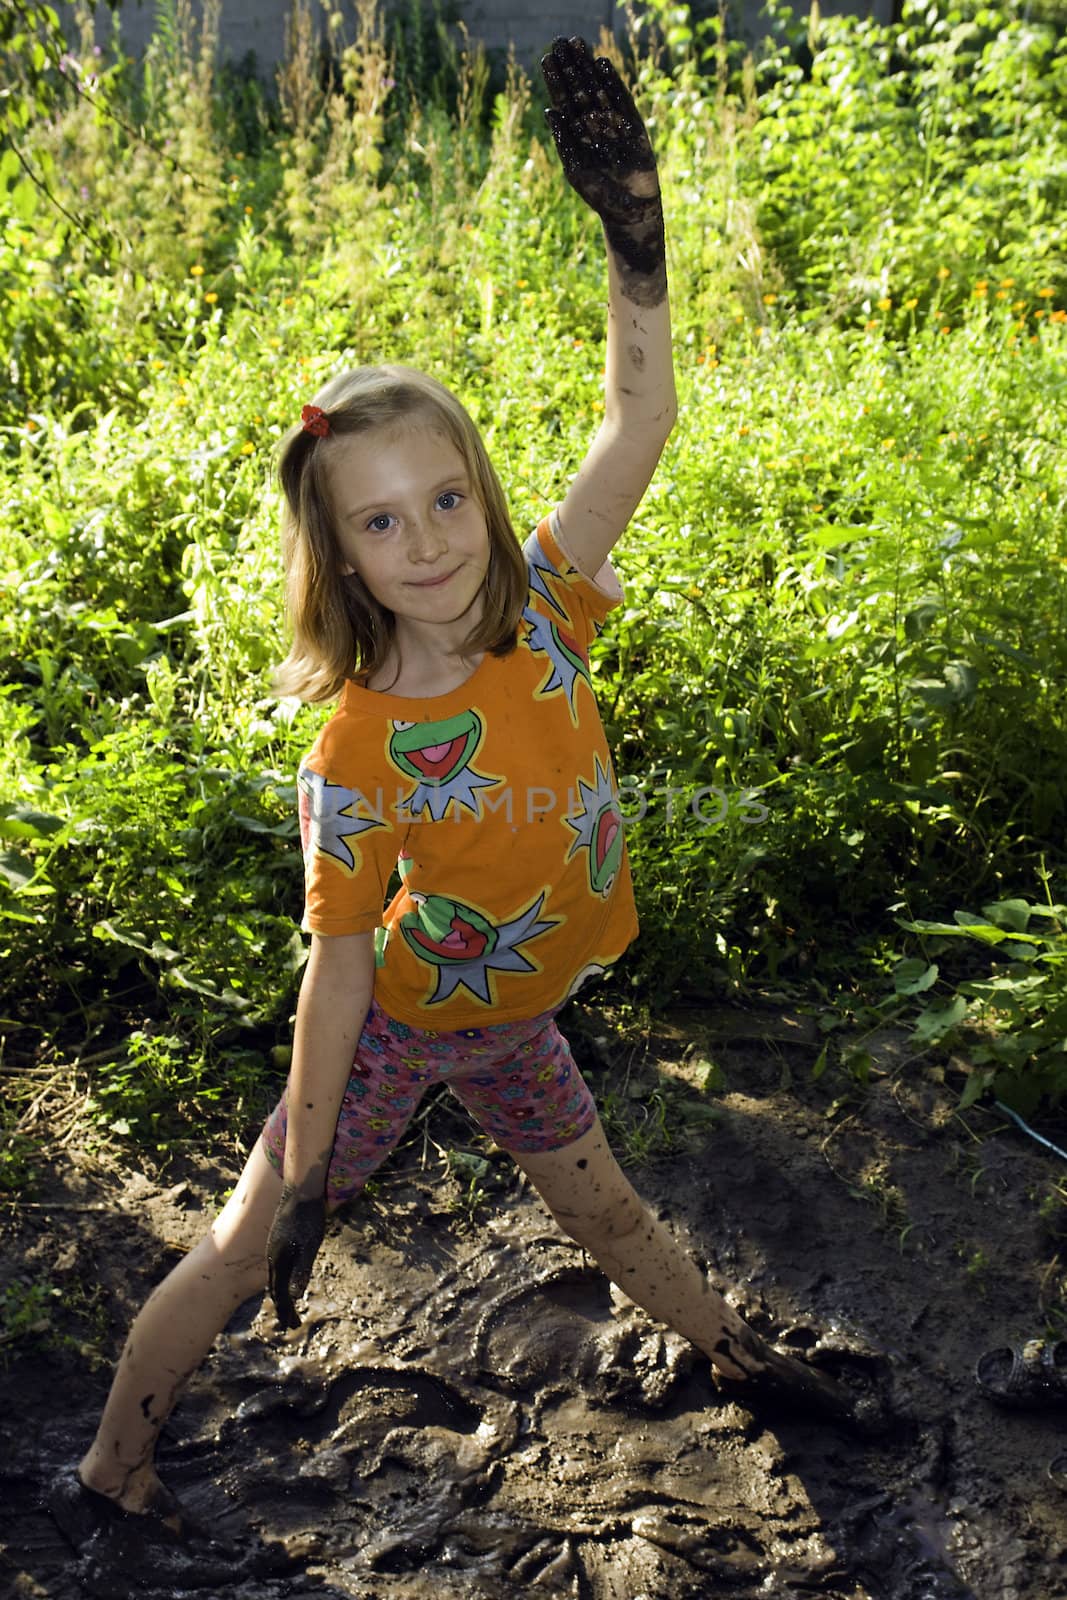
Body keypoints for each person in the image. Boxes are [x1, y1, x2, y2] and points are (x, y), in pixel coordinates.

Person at [68, 33, 866, 1545]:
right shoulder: (359, 754)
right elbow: (341, 964)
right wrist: (308, 1171)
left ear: (484, 500)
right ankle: (114, 1466)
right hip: (391, 1034)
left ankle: (741, 1358)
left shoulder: (548, 607)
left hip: (513, 1024)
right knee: (245, 1246)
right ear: (343, 558)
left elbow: (639, 422)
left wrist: (639, 238)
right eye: (383, 522)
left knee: (608, 1215)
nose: (428, 539)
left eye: (446, 498)